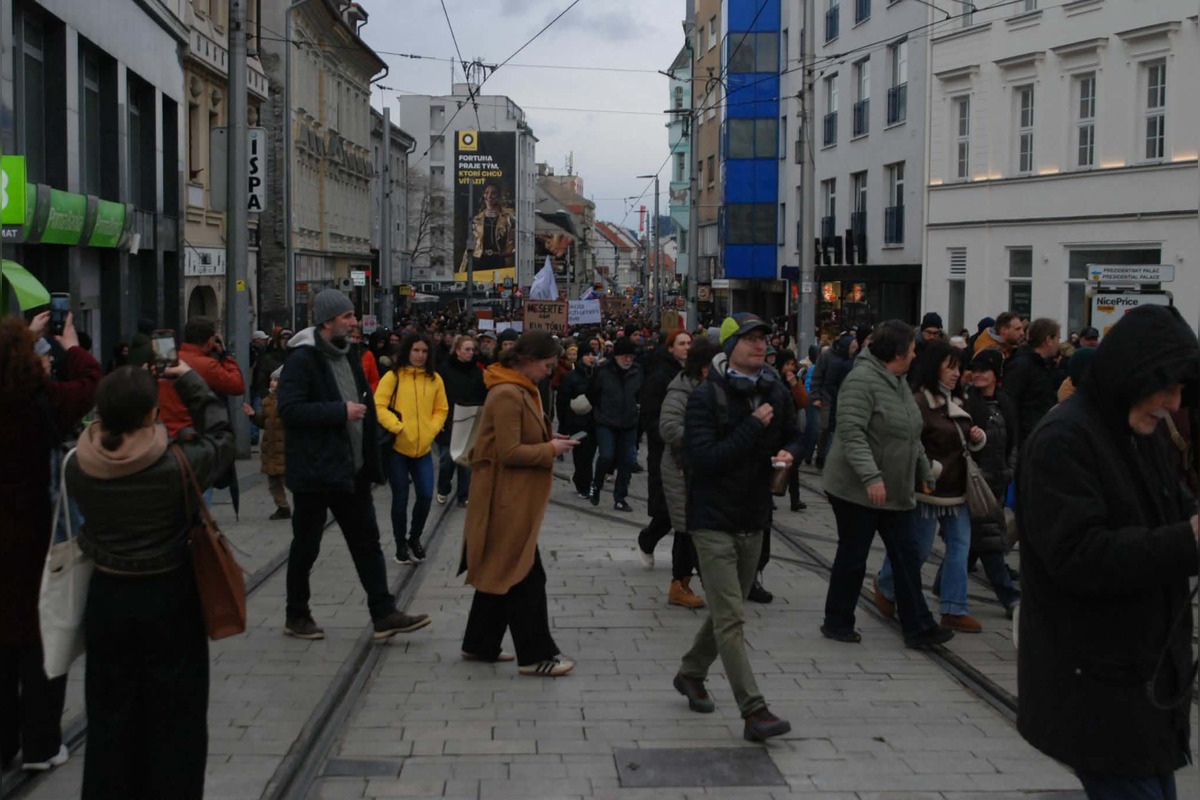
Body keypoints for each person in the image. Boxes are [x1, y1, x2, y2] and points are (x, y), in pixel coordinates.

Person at [1016, 305, 1199, 799]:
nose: (1174, 401)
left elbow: (1175, 512)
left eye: (1183, 389)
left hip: (1145, 683)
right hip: (1098, 687)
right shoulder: (1064, 439)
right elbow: (1081, 555)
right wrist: (1192, 538)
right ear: (1133, 373)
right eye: (1167, 385)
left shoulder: (1142, 431)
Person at [66, 362, 233, 799]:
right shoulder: (178, 464)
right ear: (151, 414)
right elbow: (222, 436)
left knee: (109, 716)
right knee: (178, 719)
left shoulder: (78, 466)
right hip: (169, 596)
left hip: (107, 597)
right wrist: (190, 380)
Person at [673, 313, 799, 742]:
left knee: (731, 609)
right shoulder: (707, 396)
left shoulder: (775, 391)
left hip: (754, 516)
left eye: (764, 338)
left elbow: (799, 433)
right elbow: (703, 457)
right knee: (731, 618)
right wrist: (752, 427)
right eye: (750, 339)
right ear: (731, 348)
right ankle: (754, 710)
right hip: (712, 519)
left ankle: (691, 673)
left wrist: (789, 451)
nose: (759, 345)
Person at [278, 289, 431, 641]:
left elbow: (367, 405)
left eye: (353, 316)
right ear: (328, 321)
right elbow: (290, 409)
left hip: (352, 469)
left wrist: (374, 452)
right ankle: (296, 615)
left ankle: (384, 613)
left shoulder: (351, 355)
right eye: (347, 317)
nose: (353, 322)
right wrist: (339, 412)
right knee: (307, 545)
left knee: (367, 542)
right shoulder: (303, 360)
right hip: (316, 471)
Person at [1, 313, 99, 774]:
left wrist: (23, 339)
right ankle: (41, 745)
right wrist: (70, 344)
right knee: (41, 638)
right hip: (38, 542)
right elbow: (90, 383)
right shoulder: (39, 400)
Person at [820, 320, 953, 649]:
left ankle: (919, 628)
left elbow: (911, 432)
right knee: (853, 556)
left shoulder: (898, 381)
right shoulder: (861, 381)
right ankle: (837, 622)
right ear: (897, 352)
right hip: (857, 490)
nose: (915, 353)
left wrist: (924, 469)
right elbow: (851, 434)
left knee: (906, 557)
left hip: (894, 489)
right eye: (911, 348)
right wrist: (871, 477)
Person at [461, 331, 579, 675]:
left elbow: (515, 438)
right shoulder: (507, 393)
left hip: (512, 496)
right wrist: (550, 451)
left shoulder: (520, 388)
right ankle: (536, 655)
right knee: (525, 575)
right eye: (546, 365)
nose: (549, 371)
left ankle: (479, 643)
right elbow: (509, 452)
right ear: (526, 360)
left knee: (503, 567)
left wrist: (548, 438)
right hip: (505, 498)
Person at [874, 341, 988, 633]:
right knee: (920, 548)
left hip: (957, 489)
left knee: (960, 548)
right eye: (950, 367)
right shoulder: (919, 402)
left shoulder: (960, 400)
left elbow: (961, 441)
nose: (956, 373)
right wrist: (930, 470)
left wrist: (976, 437)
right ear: (933, 367)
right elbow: (910, 443)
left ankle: (954, 608)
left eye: (959, 367)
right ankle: (886, 585)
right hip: (929, 488)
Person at [375, 332, 449, 564]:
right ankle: (399, 544)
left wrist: (431, 429)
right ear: (407, 351)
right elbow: (379, 405)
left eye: (424, 351)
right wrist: (397, 427)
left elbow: (441, 409)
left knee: (426, 495)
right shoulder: (393, 377)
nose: (419, 355)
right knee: (401, 497)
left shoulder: (435, 379)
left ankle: (414, 537)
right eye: (416, 350)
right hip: (398, 447)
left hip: (423, 447)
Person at [658, 336, 721, 609]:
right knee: (686, 529)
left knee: (700, 527)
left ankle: (694, 583)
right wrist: (703, 436)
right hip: (681, 469)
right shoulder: (681, 390)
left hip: (705, 467)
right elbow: (668, 427)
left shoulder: (715, 388)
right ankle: (679, 585)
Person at [960, 348, 1020, 617]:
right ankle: (1010, 598)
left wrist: (1009, 470)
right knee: (990, 539)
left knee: (971, 542)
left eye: (985, 370)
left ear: (996, 374)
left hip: (999, 480)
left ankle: (942, 584)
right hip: (976, 482)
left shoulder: (1006, 403)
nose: (979, 375)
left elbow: (1013, 441)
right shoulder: (966, 403)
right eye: (975, 370)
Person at [637, 330, 691, 569]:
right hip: (664, 449)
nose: (687, 347)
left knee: (684, 510)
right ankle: (647, 540)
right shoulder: (661, 375)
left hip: (688, 449)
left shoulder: (693, 374)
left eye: (690, 343)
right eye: (681, 343)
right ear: (670, 348)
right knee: (667, 511)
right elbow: (650, 413)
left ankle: (683, 568)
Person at [158, 317, 246, 438]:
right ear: (210, 341)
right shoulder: (207, 365)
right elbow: (237, 386)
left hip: (165, 432)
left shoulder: (171, 360)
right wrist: (225, 355)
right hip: (193, 434)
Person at [588, 335, 643, 512]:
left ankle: (620, 497)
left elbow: (640, 393)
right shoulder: (603, 371)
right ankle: (596, 484)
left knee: (626, 461)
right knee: (606, 455)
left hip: (628, 423)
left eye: (631, 356)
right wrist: (602, 409)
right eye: (624, 356)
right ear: (617, 356)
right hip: (606, 421)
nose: (628, 360)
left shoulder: (637, 371)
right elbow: (592, 393)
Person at [436, 334, 486, 508]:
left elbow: (482, 395)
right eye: (467, 349)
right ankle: (443, 487)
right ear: (457, 350)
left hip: (469, 419)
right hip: (448, 420)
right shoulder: (444, 370)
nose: (470, 353)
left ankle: (463, 496)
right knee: (447, 460)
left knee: (465, 461)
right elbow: (437, 395)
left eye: (472, 349)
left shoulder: (477, 371)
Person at [1003, 317, 1062, 448]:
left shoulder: (1043, 366)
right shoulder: (1022, 365)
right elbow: (1009, 402)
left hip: (1039, 435)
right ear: (1048, 340)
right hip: (1026, 439)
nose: (1059, 343)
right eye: (1058, 338)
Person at [243, 366, 290, 520]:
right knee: (273, 481)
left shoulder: (288, 401)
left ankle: (307, 504)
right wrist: (253, 415)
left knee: (288, 480)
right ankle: (282, 507)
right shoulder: (266, 401)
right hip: (270, 448)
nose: (272, 383)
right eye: (272, 379)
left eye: (276, 380)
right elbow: (264, 422)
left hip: (284, 448)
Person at [556, 346, 598, 498]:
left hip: (595, 421)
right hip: (577, 422)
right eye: (587, 354)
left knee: (590, 454)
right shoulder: (571, 377)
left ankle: (583, 480)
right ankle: (583, 485)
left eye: (593, 354)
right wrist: (564, 423)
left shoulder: (598, 375)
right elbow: (562, 402)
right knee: (582, 455)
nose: (591, 357)